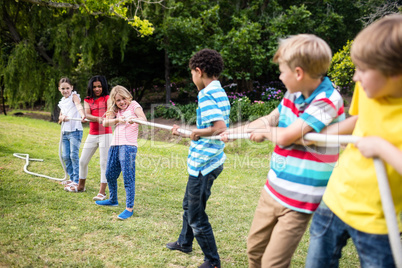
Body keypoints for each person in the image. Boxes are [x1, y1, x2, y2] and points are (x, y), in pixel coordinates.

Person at [222, 34, 345, 267]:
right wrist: (238, 131)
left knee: (273, 263)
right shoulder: (293, 94)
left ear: (298, 73)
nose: (279, 76)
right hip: (273, 189)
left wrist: (267, 132)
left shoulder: (327, 100)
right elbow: (271, 118)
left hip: (300, 200)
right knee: (254, 251)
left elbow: (289, 135)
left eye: (281, 71)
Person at [305, 14, 402, 268]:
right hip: (335, 199)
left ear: (395, 73)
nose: (355, 78)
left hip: (378, 221)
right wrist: (324, 137)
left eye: (363, 70)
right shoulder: (370, 88)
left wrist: (381, 147)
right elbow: (359, 119)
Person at [165, 49, 230, 268]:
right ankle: (185, 242)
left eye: (192, 74)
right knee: (189, 204)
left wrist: (197, 133)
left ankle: (212, 261)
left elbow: (218, 127)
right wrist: (186, 131)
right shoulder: (219, 91)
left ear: (198, 71)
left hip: (205, 164)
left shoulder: (206, 94)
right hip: (210, 159)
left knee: (195, 215)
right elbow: (210, 127)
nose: (193, 78)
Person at [94, 85, 147, 220]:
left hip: (128, 146)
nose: (122, 102)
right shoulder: (115, 110)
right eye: (118, 100)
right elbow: (106, 123)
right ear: (114, 101)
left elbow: (143, 119)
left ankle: (129, 208)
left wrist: (134, 119)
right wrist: (117, 120)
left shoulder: (134, 105)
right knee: (109, 174)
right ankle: (113, 199)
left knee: (128, 177)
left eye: (123, 99)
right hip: (115, 145)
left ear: (128, 97)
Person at [65, 76, 112, 198]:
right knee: (82, 161)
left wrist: (107, 117)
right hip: (93, 134)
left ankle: (102, 192)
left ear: (103, 87)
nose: (97, 89)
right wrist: (99, 119)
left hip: (106, 134)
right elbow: (87, 115)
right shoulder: (87, 100)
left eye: (99, 86)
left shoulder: (108, 98)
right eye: (95, 86)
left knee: (103, 163)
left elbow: (110, 113)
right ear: (91, 87)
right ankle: (81, 186)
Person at [57, 77, 86, 190]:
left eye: (67, 88)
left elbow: (78, 106)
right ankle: (71, 177)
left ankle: (76, 180)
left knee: (74, 155)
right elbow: (59, 118)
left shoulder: (74, 96)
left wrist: (82, 115)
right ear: (59, 89)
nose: (65, 91)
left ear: (71, 88)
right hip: (65, 132)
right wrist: (62, 117)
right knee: (65, 156)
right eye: (63, 88)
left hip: (75, 131)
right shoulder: (62, 101)